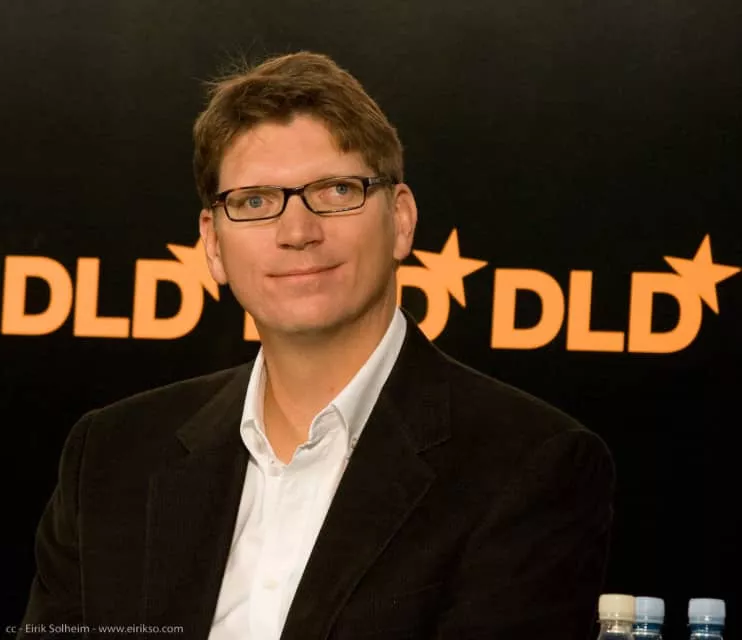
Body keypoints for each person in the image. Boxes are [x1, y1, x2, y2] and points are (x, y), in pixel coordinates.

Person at [20, 51, 615, 639]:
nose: (297, 232)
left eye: (335, 191)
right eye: (255, 201)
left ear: (401, 220)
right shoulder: (111, 455)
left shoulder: (528, 465)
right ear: (213, 244)